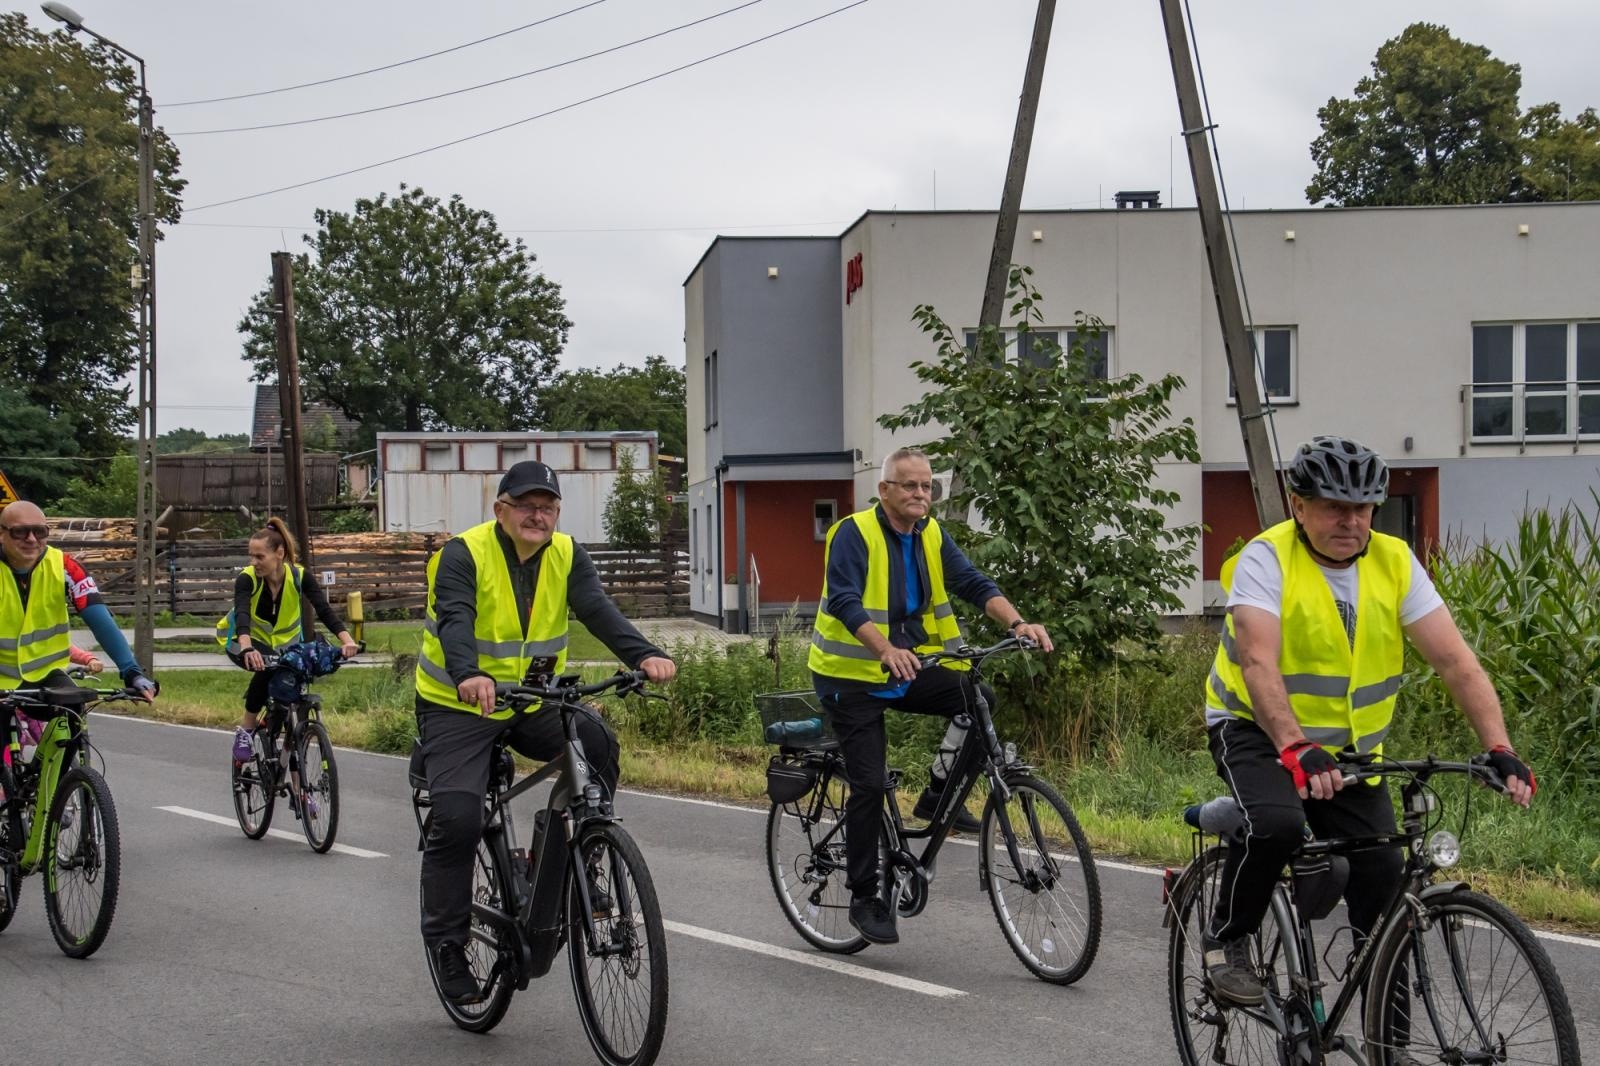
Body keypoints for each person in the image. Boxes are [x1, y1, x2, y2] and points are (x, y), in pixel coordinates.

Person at [1201, 435, 1535, 1007]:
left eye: (1361, 508)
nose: (1349, 520)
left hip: (1351, 753)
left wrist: (1499, 746)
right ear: (1299, 505)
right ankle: (1227, 938)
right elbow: (1257, 661)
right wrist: (1294, 745)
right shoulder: (1266, 558)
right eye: (1333, 506)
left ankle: (1391, 1043)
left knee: (1384, 884)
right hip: (1254, 729)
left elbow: (1455, 661)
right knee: (1279, 825)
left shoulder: (1394, 561)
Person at [413, 460, 676, 1006]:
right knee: (459, 817)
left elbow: (597, 610)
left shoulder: (566, 553)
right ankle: (447, 945)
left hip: (531, 699)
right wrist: (468, 673)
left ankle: (578, 854)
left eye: (549, 506)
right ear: (501, 509)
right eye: (528, 505)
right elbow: (455, 618)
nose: (539, 515)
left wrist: (644, 653)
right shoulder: (462, 554)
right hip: (458, 705)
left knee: (596, 741)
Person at [808, 447, 1053, 946]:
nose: (922, 494)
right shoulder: (853, 533)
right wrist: (884, 648)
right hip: (849, 676)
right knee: (870, 784)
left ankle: (935, 797)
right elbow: (845, 599)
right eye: (910, 486)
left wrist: (1018, 622)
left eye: (928, 487)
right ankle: (864, 896)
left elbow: (971, 582)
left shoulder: (931, 533)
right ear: (885, 491)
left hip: (907, 665)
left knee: (976, 695)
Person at [216, 517, 358, 765]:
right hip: (242, 640)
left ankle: (296, 782)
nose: (253, 562)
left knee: (288, 681)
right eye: (251, 556)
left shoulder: (299, 576)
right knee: (265, 667)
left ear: (279, 553)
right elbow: (242, 614)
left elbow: (323, 609)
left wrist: (347, 641)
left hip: (281, 645)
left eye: (259, 556)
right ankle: (246, 731)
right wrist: (248, 647)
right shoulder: (247, 578)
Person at [0, 500, 157, 705]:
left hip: (46, 675)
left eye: (39, 531)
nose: (31, 539)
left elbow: (100, 620)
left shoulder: (65, 566)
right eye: (20, 532)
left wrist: (132, 672)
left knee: (73, 715)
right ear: (2, 534)